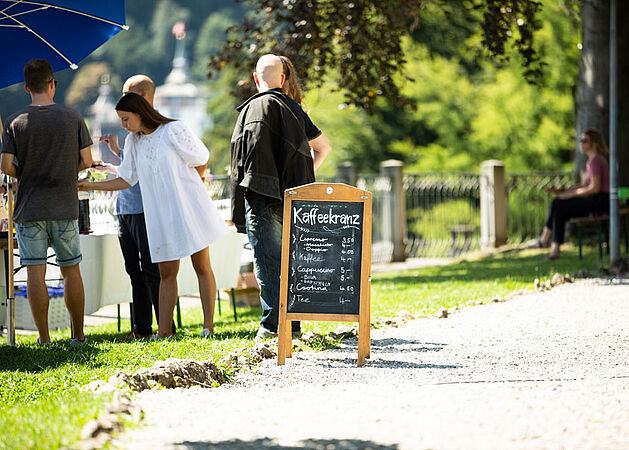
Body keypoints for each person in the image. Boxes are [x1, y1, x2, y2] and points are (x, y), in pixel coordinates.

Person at [80, 92, 228, 339]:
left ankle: (208, 328)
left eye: (126, 119)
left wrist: (189, 187)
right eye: (121, 120)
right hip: (159, 214)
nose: (124, 125)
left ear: (140, 113)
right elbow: (127, 179)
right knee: (165, 273)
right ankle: (165, 332)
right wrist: (89, 186)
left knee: (201, 266)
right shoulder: (133, 142)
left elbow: (201, 159)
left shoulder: (174, 130)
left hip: (189, 207)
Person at [231, 54, 332, 341]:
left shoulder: (250, 110)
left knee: (268, 263)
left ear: (255, 78)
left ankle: (272, 326)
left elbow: (240, 166)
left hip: (262, 198)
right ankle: (293, 327)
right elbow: (323, 148)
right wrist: (302, 175)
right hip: (295, 198)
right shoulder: (295, 110)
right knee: (293, 262)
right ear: (283, 79)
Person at [0, 59, 92, 345]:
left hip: (30, 208)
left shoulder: (16, 122)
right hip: (64, 206)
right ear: (53, 83)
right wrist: (65, 171)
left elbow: (5, 165)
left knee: (35, 272)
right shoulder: (73, 117)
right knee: (71, 270)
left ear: (26, 87)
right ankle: (78, 335)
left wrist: (24, 172)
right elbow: (87, 161)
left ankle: (44, 339)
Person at [96, 75, 169, 340]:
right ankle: (141, 328)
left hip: (145, 209)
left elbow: (143, 171)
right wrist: (117, 154)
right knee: (133, 271)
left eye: (128, 94)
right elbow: (132, 168)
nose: (123, 100)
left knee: (151, 270)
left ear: (144, 97)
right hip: (124, 208)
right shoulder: (131, 135)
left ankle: (164, 328)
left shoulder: (159, 128)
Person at [530, 129, 610, 260]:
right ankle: (553, 250)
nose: (581, 142)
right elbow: (583, 185)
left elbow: (594, 188)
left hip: (600, 202)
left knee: (558, 203)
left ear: (593, 142)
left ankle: (545, 241)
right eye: (581, 140)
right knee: (560, 209)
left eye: (584, 140)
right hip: (594, 200)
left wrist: (569, 195)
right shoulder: (590, 161)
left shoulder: (596, 160)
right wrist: (562, 191)